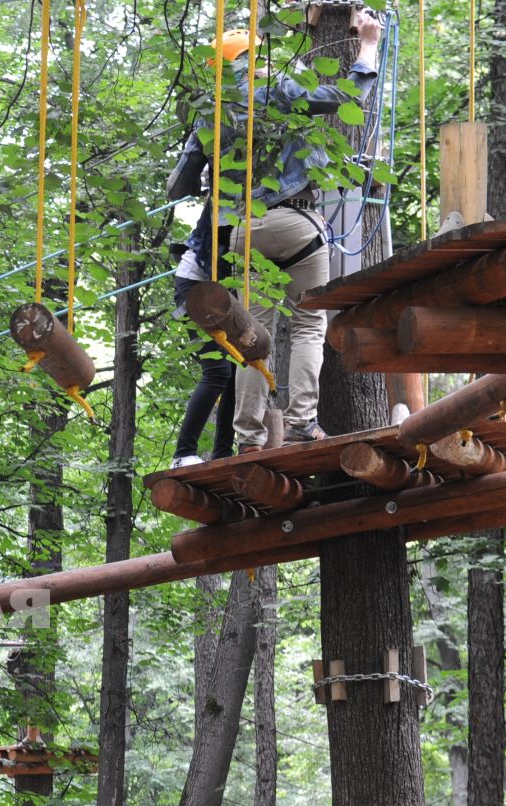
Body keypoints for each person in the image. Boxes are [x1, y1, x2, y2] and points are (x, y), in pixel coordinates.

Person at [165, 12, 383, 452]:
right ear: (253, 58)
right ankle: (302, 422)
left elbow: (178, 187)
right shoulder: (276, 92)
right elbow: (348, 96)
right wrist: (369, 45)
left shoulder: (210, 117)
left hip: (243, 230)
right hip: (295, 223)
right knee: (306, 326)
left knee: (252, 335)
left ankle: (249, 438)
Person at [169, 208, 235, 468]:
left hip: (221, 291)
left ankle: (223, 453)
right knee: (217, 371)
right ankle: (183, 453)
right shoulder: (229, 199)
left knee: (235, 370)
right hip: (196, 289)